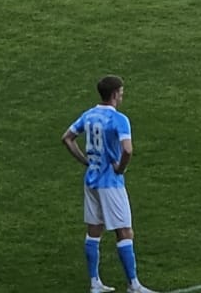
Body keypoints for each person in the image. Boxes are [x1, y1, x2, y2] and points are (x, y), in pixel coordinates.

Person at [62, 76, 157, 293]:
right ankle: (134, 285)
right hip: (110, 183)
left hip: (91, 180)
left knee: (94, 230)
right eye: (121, 93)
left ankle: (95, 282)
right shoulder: (119, 119)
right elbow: (128, 149)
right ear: (114, 94)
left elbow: (67, 138)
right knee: (125, 231)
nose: (122, 96)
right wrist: (121, 168)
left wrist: (85, 161)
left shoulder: (89, 115)